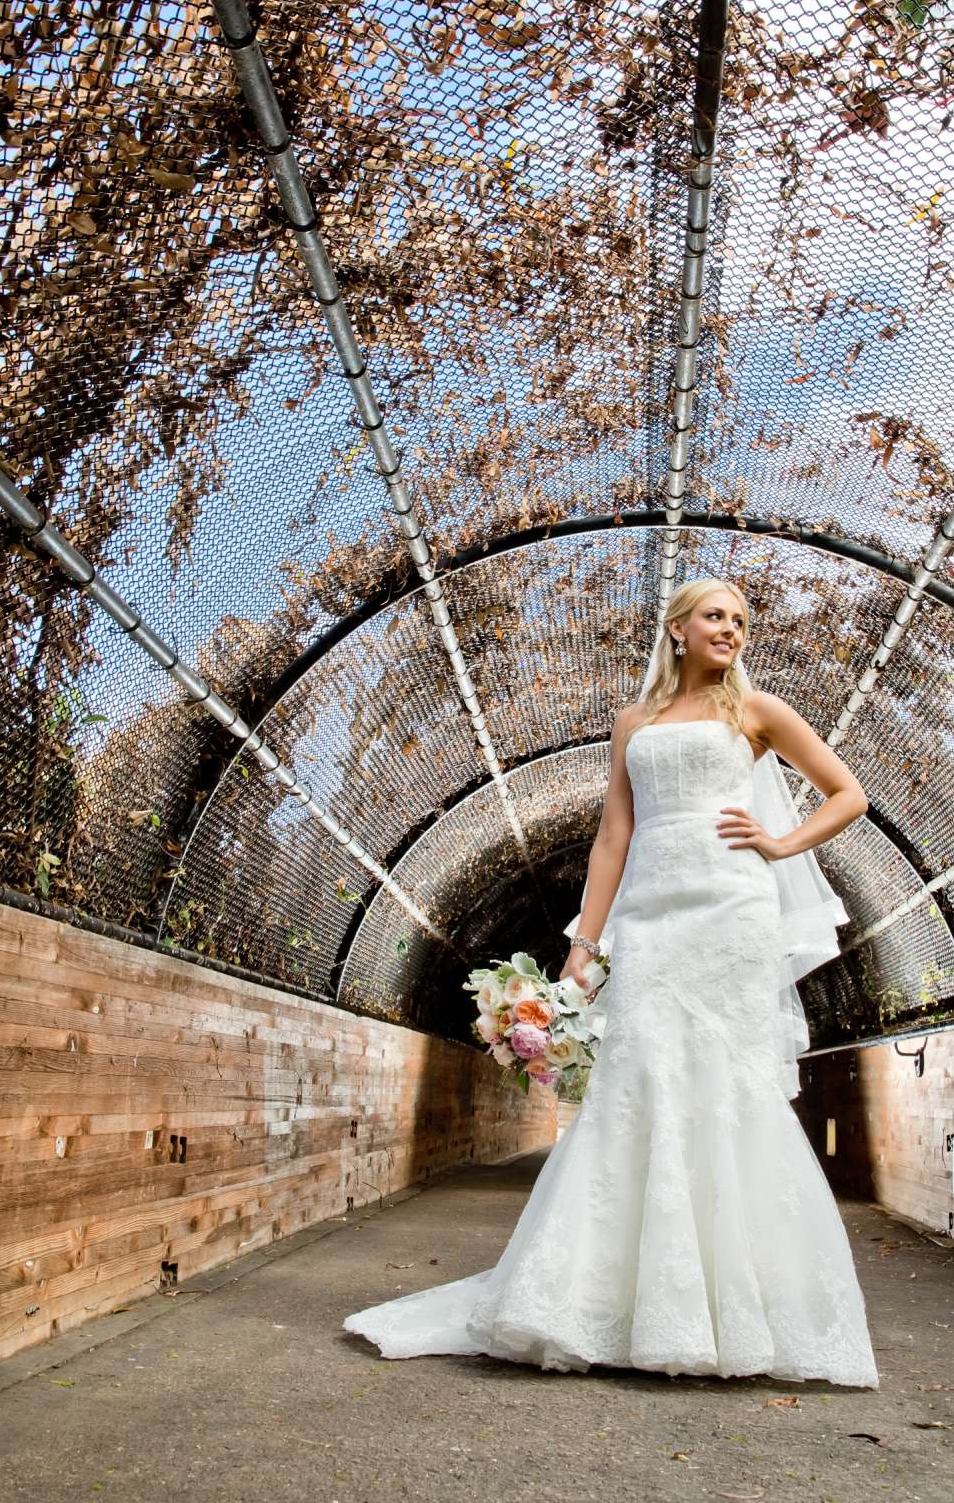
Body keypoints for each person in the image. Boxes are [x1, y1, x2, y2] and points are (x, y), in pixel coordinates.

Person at [341, 577, 879, 1387]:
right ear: (677, 629)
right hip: (653, 925)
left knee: (724, 1089)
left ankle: (736, 1308)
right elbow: (611, 841)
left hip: (731, 917)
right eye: (715, 616)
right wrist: (583, 948)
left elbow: (851, 794)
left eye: (740, 620)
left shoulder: (757, 713)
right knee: (640, 1082)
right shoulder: (636, 723)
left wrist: (778, 842)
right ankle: (610, 1300)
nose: (730, 629)